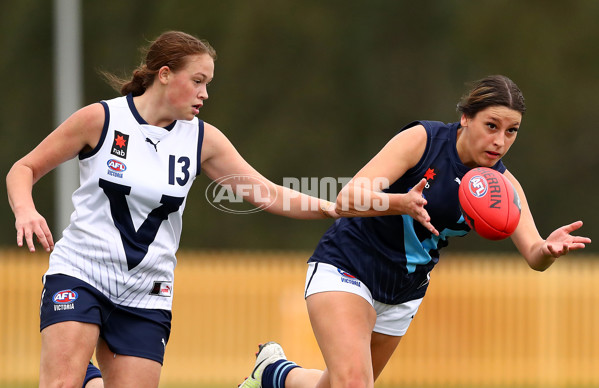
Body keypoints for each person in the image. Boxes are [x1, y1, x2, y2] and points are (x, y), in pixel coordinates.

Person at [6, 30, 337, 388]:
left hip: (147, 291)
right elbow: (24, 168)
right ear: (164, 74)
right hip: (82, 272)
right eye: (197, 81)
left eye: (207, 83)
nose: (204, 93)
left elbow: (267, 193)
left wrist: (336, 209)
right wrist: (25, 210)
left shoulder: (202, 139)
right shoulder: (101, 120)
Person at [238, 75, 592, 388]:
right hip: (348, 266)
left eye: (511, 131)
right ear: (466, 117)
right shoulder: (423, 140)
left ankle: (274, 373)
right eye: (491, 125)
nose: (500, 140)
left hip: (403, 293)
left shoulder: (502, 185)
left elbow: (533, 253)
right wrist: (400, 203)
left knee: (338, 384)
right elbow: (348, 198)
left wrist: (548, 250)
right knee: (354, 384)